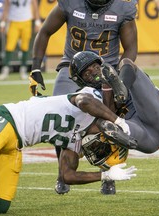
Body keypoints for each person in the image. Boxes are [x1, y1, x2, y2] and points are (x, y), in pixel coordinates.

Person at [28, 0, 138, 194]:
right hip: (72, 69)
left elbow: (130, 48)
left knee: (108, 122)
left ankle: (109, 172)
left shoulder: (123, 7)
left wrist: (117, 77)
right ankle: (63, 173)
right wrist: (36, 67)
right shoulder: (71, 3)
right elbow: (45, 31)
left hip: (105, 70)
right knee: (61, 120)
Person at [0, 86, 137, 214]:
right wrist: (118, 121)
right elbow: (85, 100)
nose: (94, 149)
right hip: (5, 120)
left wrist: (106, 175)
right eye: (100, 148)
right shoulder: (90, 106)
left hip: (13, 145)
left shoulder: (75, 140)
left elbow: (67, 176)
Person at [0, 0, 41, 80]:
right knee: (9, 47)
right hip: (13, 21)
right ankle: (5, 70)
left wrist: (37, 22)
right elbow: (6, 7)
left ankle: (23, 70)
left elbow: (35, 6)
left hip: (26, 21)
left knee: (25, 47)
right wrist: (2, 22)